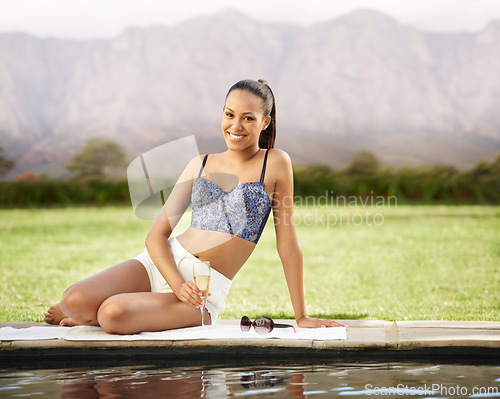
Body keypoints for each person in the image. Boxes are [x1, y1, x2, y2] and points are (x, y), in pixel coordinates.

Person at [44, 79, 346, 334]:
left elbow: (288, 245)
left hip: (203, 290)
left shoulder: (276, 163)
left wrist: (301, 316)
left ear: (265, 122)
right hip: (163, 263)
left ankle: (101, 315)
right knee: (73, 299)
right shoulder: (199, 164)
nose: (236, 125)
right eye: (229, 114)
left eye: (248, 118)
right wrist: (175, 284)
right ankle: (90, 312)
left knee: (112, 315)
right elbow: (155, 236)